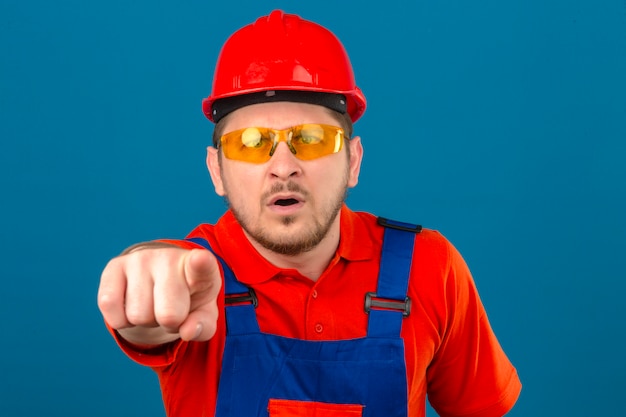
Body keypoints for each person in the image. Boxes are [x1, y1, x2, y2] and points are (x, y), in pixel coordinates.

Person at [97, 9, 521, 417]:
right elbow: (155, 293)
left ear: (353, 161)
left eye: (313, 138)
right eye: (250, 143)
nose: (283, 166)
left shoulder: (430, 267)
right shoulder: (194, 278)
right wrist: (144, 284)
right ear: (216, 171)